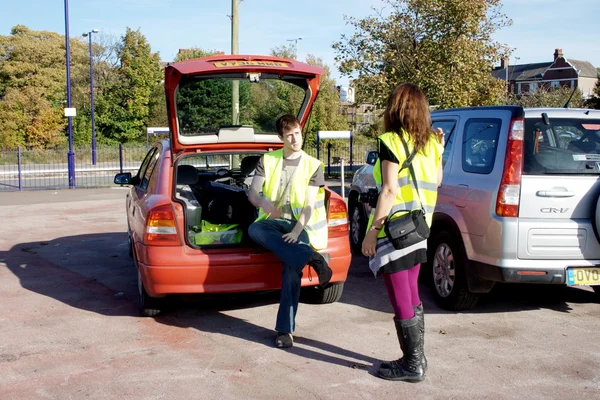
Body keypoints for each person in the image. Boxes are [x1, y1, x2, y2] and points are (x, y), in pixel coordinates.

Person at [361, 83, 443, 382]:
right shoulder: (432, 142)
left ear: (394, 109)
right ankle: (416, 357)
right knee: (411, 293)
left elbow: (389, 189)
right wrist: (441, 150)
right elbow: (437, 180)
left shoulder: (390, 141)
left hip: (396, 230)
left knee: (400, 297)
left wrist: (372, 232)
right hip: (421, 228)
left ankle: (412, 365)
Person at [247, 114, 332, 349]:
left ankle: (285, 331)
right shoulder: (268, 160)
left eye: (297, 133)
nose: (295, 139)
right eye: (289, 135)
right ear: (280, 138)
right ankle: (313, 258)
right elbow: (253, 193)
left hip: (300, 225)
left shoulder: (313, 165)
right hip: (273, 223)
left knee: (291, 272)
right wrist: (264, 204)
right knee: (255, 228)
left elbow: (308, 205)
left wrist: (296, 232)